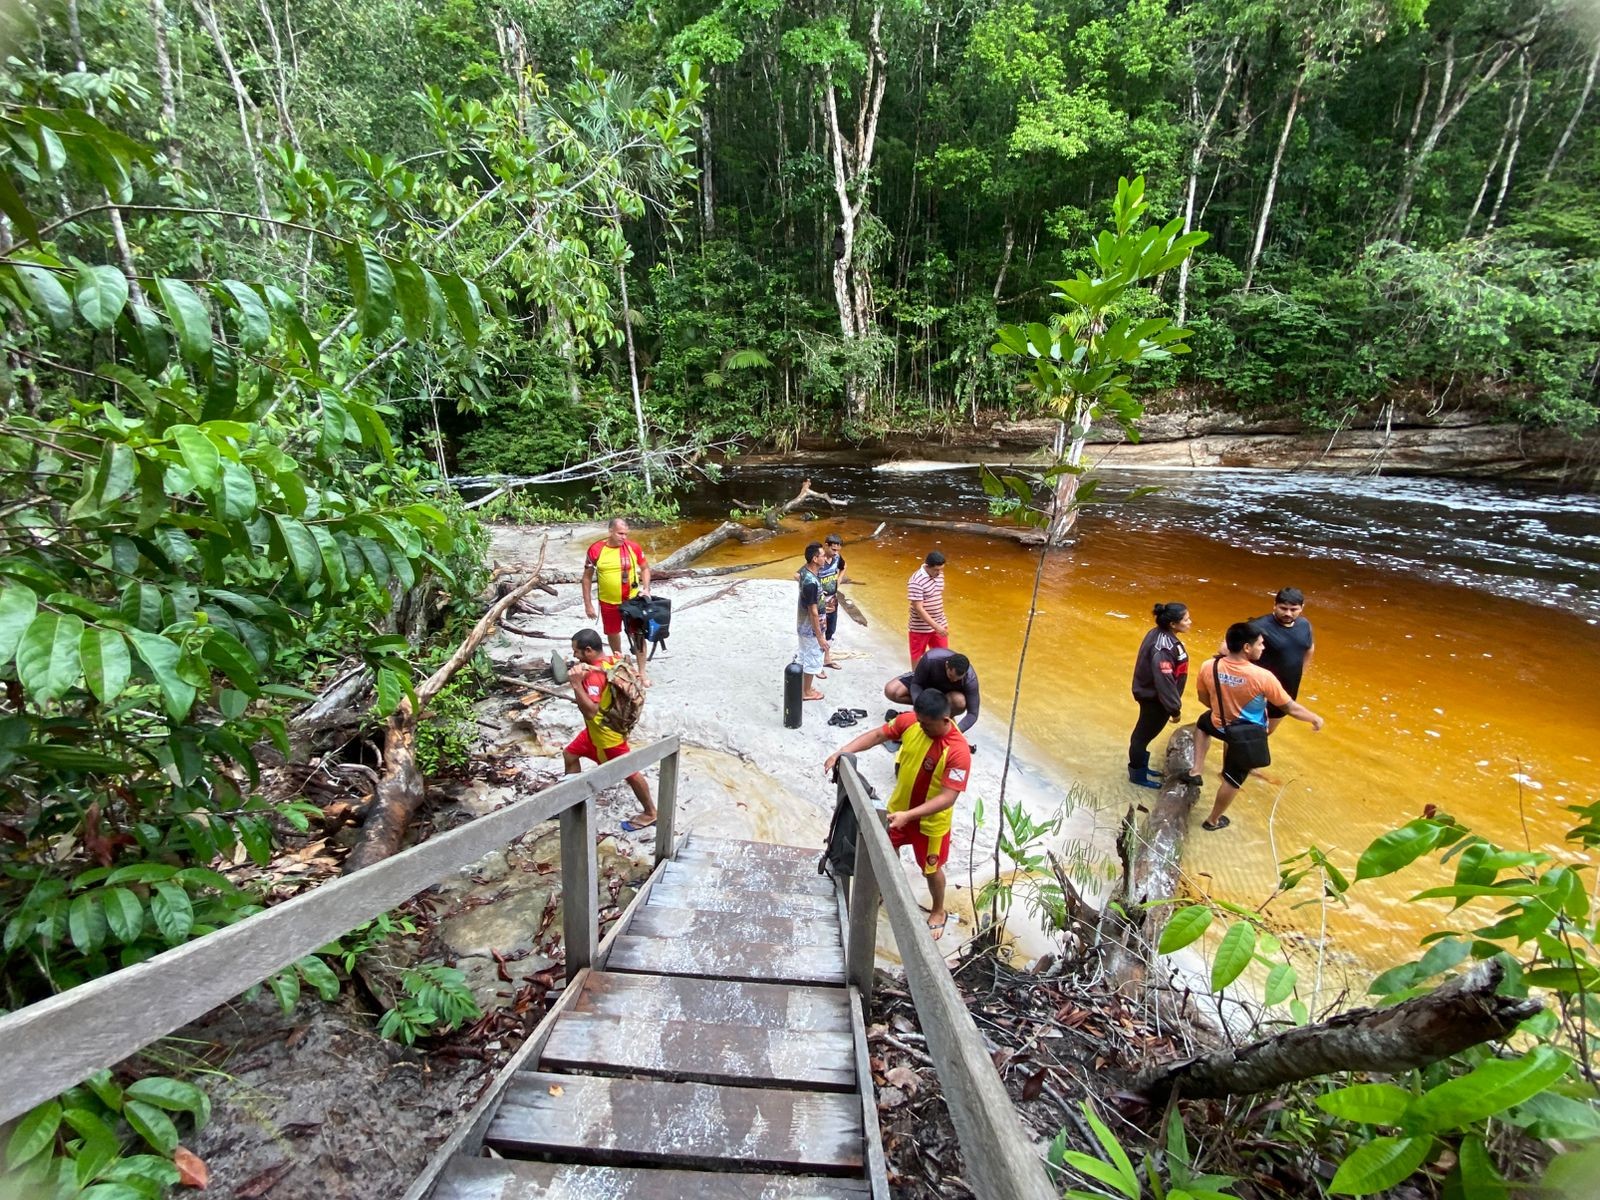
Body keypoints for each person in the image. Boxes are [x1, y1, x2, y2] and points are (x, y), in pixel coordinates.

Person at [824, 689, 971, 941]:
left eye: (927, 724)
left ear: (945, 721)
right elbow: (879, 734)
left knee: (931, 870)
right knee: (885, 853)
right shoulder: (912, 722)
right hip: (897, 811)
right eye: (919, 720)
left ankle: (938, 911)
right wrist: (843, 751)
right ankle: (883, 889)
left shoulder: (958, 751)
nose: (921, 727)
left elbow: (948, 797)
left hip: (929, 824)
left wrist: (910, 816)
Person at [1192, 622, 1325, 832]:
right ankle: (1213, 820)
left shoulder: (1209, 666)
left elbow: (1202, 697)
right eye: (1261, 644)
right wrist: (1314, 718)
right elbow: (1289, 707)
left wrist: (1221, 711)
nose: (1263, 648)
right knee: (1233, 780)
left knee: (1202, 724)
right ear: (1247, 647)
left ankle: (1195, 770)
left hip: (1219, 724)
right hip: (1247, 736)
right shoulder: (1262, 677)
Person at [563, 628, 654, 832]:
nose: (574, 656)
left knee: (630, 773)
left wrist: (576, 685)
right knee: (569, 754)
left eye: (576, 652)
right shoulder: (613, 659)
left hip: (606, 736)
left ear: (588, 651)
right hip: (598, 730)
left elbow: (590, 711)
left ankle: (650, 813)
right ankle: (572, 802)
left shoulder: (593, 677)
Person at [581, 518, 653, 687]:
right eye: (620, 533)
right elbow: (586, 578)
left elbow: (645, 568)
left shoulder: (633, 547)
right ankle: (621, 664)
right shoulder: (596, 550)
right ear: (611, 531)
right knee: (613, 633)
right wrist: (588, 604)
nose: (623, 537)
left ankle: (642, 672)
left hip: (633, 600)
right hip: (608, 602)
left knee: (639, 635)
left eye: (626, 534)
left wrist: (646, 588)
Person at [1128, 603, 1191, 789]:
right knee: (1141, 737)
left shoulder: (1158, 634)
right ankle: (1137, 774)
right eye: (1186, 619)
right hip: (1155, 700)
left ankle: (1142, 768)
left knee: (1142, 735)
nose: (1190, 622)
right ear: (1173, 623)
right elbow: (1165, 681)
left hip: (1153, 697)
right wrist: (1174, 709)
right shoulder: (1164, 648)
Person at [1249, 587, 1315, 733]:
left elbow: (1309, 648)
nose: (1288, 613)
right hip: (1259, 693)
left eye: (1294, 609)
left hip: (1286, 691)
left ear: (1302, 608)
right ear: (1274, 605)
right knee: (1245, 734)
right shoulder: (1258, 626)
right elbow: (1227, 650)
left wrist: (1300, 672)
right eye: (1283, 608)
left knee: (1266, 732)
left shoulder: (1304, 625)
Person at [884, 648, 980, 735]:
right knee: (891, 690)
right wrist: (921, 707)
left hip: (947, 697)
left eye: (957, 679)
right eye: (951, 676)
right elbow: (916, 684)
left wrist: (957, 732)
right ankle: (928, 714)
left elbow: (973, 714)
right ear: (946, 665)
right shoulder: (930, 659)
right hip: (926, 685)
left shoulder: (970, 680)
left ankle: (940, 721)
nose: (953, 681)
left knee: (959, 701)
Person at [796, 541, 830, 702]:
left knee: (804, 655)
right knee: (812, 658)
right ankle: (806, 692)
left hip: (803, 626)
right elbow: (813, 612)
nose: (826, 558)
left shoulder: (805, 571)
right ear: (815, 559)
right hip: (810, 629)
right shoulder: (810, 582)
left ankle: (802, 687)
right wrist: (820, 637)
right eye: (823, 556)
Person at [907, 550, 949, 666]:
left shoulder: (939, 574)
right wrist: (936, 627)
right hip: (920, 627)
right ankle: (916, 680)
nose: (939, 573)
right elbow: (918, 608)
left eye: (941, 569)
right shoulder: (916, 581)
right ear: (927, 566)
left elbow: (937, 593)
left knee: (943, 654)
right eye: (936, 570)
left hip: (940, 621)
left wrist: (939, 625)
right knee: (917, 656)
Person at [818, 533, 846, 670]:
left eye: (838, 550)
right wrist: (816, 591)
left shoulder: (837, 558)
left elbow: (844, 567)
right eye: (833, 550)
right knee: (818, 630)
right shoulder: (818, 559)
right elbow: (799, 575)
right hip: (819, 603)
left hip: (832, 601)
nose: (836, 553)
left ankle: (826, 658)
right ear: (826, 545)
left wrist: (838, 581)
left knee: (830, 630)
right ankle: (815, 663)